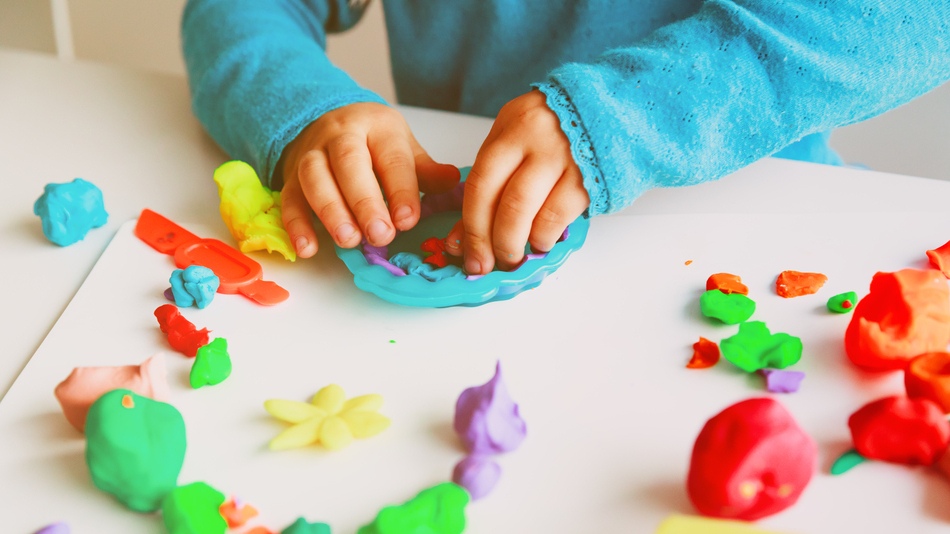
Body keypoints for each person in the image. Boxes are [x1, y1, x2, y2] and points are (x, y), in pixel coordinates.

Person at [181, 1, 949, 275]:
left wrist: (617, 115)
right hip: (477, 265)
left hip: (760, 236)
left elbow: (908, 21)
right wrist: (309, 110)